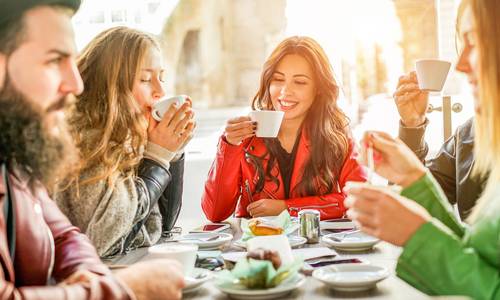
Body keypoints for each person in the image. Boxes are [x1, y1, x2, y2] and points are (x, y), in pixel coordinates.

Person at [0, 1, 184, 299]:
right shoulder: (81, 142)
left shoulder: (17, 163)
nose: (76, 84)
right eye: (53, 61)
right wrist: (121, 289)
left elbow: (65, 237)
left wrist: (92, 280)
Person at [345, 0, 500, 298]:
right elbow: (476, 254)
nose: (461, 63)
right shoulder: (470, 134)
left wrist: (418, 236)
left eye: (475, 41)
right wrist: (412, 133)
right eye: (462, 43)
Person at [54, 26, 195, 258]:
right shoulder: (86, 143)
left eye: (161, 77)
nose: (160, 90)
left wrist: (172, 152)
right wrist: (158, 158)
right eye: (145, 79)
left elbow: (163, 227)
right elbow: (103, 240)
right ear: (110, 86)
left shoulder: (129, 138)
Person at [202, 36, 366, 222]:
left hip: (316, 245)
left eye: (300, 82)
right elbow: (215, 213)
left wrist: (287, 209)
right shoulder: (245, 137)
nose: (285, 91)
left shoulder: (336, 134)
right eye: (278, 79)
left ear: (318, 88)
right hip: (257, 245)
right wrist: (229, 147)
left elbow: (359, 199)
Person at [394, 71, 484, 219]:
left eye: (475, 48)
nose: (461, 65)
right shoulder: (467, 135)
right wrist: (412, 125)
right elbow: (412, 205)